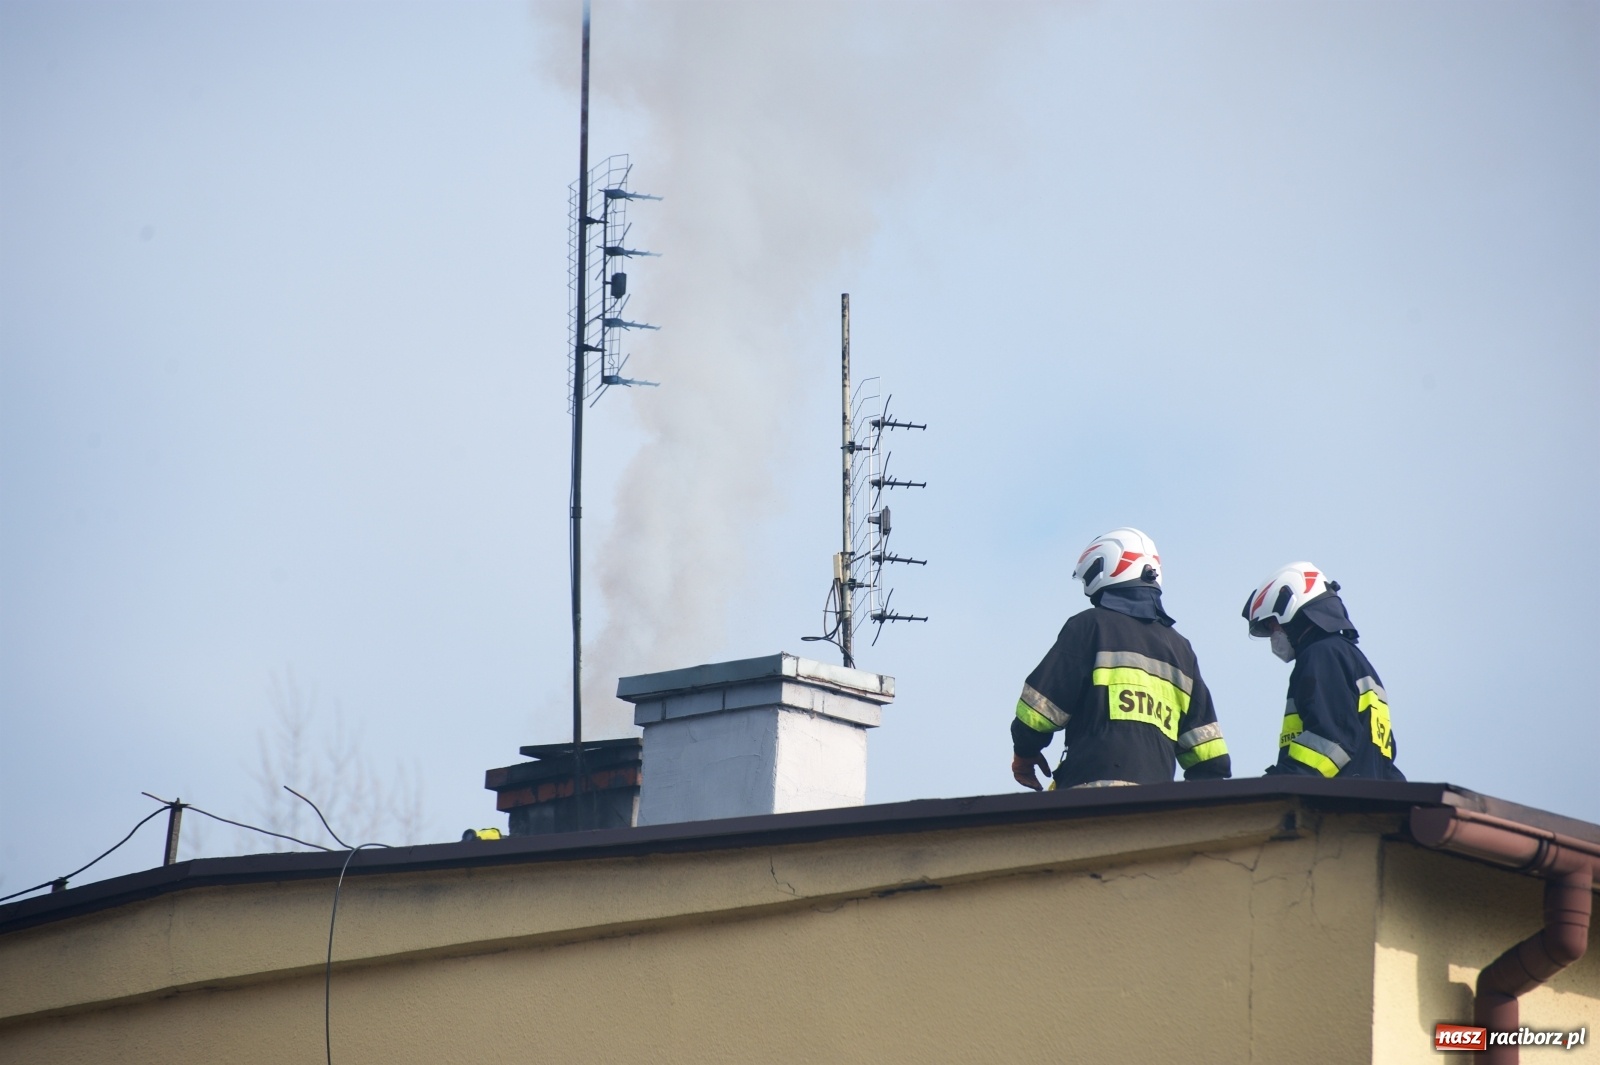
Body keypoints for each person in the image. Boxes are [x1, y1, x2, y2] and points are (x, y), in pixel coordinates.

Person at [1011, 527, 1232, 790]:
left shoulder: (1090, 626)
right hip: (1156, 806)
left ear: (1107, 567)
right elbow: (1210, 758)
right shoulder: (1182, 651)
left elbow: (1038, 711)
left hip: (1090, 797)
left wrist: (1024, 752)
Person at [1241, 562, 1403, 780]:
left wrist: (1282, 783)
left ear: (1290, 611)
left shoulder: (1321, 655)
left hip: (1333, 797)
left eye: (1273, 626)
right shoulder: (1352, 658)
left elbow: (1331, 741)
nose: (1274, 636)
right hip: (1366, 796)